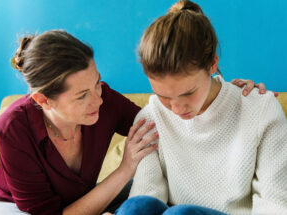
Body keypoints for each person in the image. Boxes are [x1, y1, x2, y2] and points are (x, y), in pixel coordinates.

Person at [0, 30, 267, 215]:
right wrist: (125, 169)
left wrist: (225, 95)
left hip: (83, 199)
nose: (98, 100)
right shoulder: (13, 128)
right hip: (13, 207)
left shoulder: (104, 100)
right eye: (82, 96)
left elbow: (166, 122)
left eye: (97, 83)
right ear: (44, 100)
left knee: (142, 204)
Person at [114, 1, 287, 215]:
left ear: (212, 64)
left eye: (188, 93)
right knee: (136, 207)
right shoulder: (150, 117)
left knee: (179, 214)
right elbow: (146, 194)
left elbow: (275, 204)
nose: (176, 109)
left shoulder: (261, 110)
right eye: (163, 96)